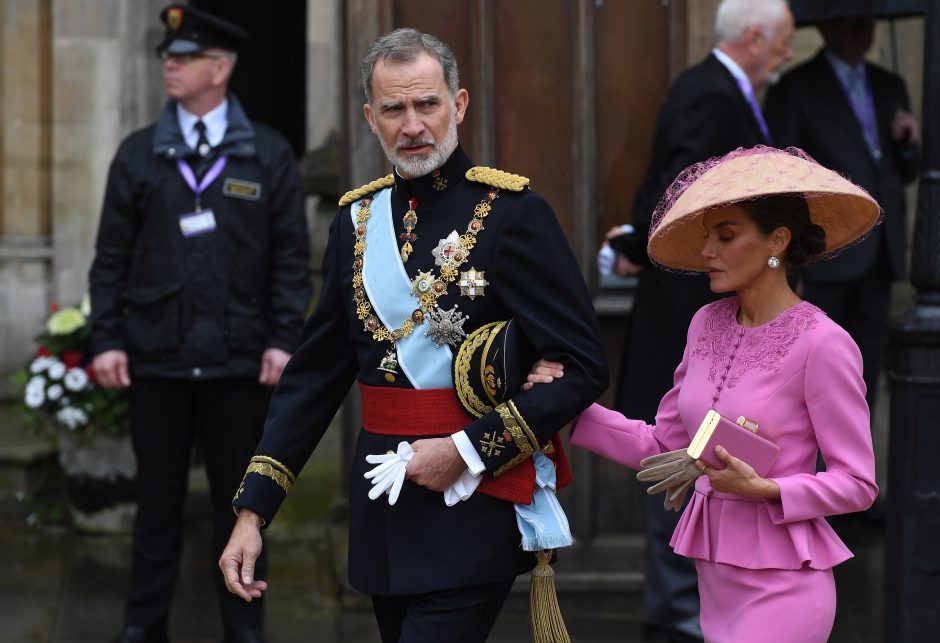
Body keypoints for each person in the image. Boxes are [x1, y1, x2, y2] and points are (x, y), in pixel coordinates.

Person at [218, 28, 608, 643]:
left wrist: (467, 450)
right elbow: (315, 377)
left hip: (471, 502)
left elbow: (584, 365)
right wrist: (252, 511)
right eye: (395, 109)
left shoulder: (512, 213)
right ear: (372, 119)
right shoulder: (355, 221)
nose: (413, 125)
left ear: (459, 104)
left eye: (427, 104)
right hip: (383, 508)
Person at [537, 146, 879, 642]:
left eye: (726, 236)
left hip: (786, 591)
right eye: (707, 237)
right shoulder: (704, 324)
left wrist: (769, 490)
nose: (707, 253)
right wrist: (567, 406)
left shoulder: (823, 344)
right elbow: (665, 446)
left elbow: (858, 483)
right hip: (716, 590)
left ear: (777, 241)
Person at [88, 5, 311, 643]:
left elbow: (292, 260)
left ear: (220, 69)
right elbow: (110, 260)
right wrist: (106, 339)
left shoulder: (266, 155)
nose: (169, 65)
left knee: (240, 510)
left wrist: (281, 340)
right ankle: (142, 625)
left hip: (239, 365)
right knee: (155, 511)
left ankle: (244, 628)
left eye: (183, 57)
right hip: (156, 361)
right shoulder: (138, 154)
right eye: (168, 56)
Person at [602, 1, 794, 639]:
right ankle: (685, 619)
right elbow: (683, 194)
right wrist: (647, 244)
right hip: (690, 315)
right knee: (683, 459)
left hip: (708, 314)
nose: (788, 54)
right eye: (786, 41)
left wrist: (635, 242)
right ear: (757, 36)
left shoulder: (712, 89)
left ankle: (700, 611)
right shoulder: (711, 93)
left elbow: (667, 184)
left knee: (709, 464)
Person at [764, 17, 919, 415]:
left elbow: (906, 171)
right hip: (825, 251)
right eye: (852, 23)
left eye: (867, 23)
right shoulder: (796, 86)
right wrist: (791, 259)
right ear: (829, 27)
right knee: (814, 368)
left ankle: (856, 468)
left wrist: (906, 144)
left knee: (864, 367)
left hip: (880, 251)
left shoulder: (889, 85)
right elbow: (781, 176)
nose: (861, 31)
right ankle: (815, 470)